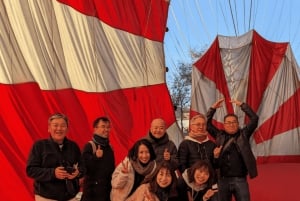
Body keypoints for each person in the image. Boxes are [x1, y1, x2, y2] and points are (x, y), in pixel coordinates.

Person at [206, 99, 259, 201]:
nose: (231, 124)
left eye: (234, 122)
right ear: (224, 125)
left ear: (238, 124)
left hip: (240, 179)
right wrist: (212, 109)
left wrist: (242, 105)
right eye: (228, 123)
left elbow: (254, 118)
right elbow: (207, 124)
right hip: (222, 180)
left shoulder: (244, 134)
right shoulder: (218, 135)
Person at [26, 113, 82, 201]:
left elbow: (83, 167)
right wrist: (53, 173)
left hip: (71, 197)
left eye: (63, 126)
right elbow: (30, 170)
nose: (59, 129)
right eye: (55, 125)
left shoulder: (73, 146)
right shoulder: (39, 146)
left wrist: (78, 172)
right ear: (49, 128)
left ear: (67, 129)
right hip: (46, 197)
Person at [81, 117, 115, 201]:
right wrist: (95, 157)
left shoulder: (110, 147)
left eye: (108, 127)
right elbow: (83, 168)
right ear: (95, 129)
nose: (106, 129)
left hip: (107, 191)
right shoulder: (89, 146)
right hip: (92, 193)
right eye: (103, 126)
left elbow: (111, 168)